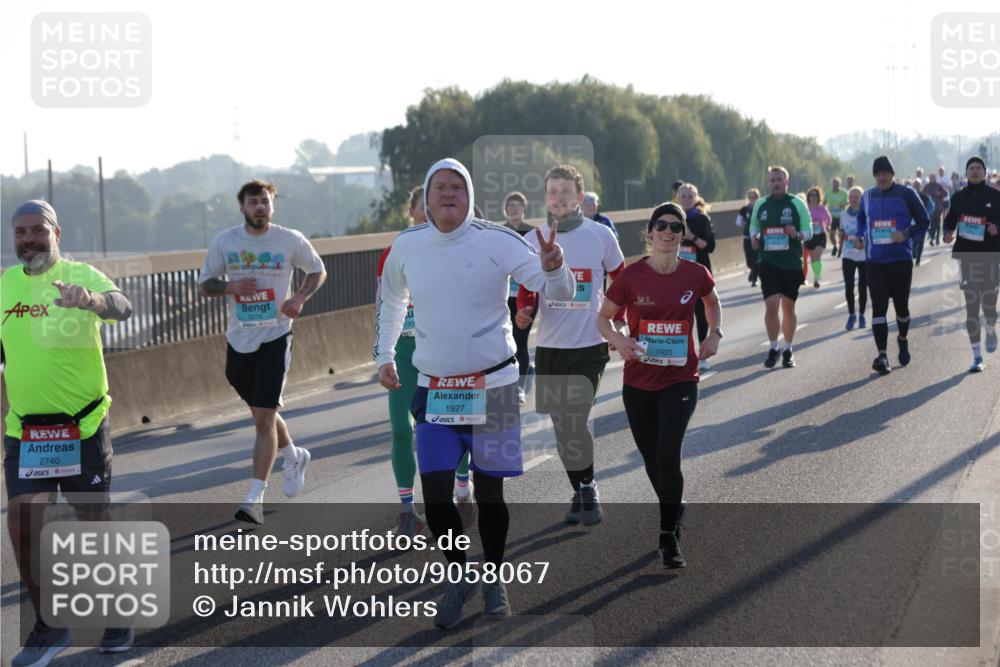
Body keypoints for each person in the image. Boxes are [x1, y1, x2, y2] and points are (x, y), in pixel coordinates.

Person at [374, 157, 574, 628]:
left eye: (456, 187)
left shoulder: (496, 241)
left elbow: (556, 289)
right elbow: (392, 301)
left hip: (495, 386)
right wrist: (383, 355)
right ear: (425, 196)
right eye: (438, 187)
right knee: (439, 497)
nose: (447, 194)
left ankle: (495, 578)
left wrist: (556, 266)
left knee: (490, 495)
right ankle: (459, 574)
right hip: (435, 389)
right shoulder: (407, 246)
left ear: (469, 197)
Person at [2, 200, 136, 665]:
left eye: (37, 230)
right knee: (22, 524)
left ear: (57, 233)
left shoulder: (84, 276)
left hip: (82, 428)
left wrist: (91, 301)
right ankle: (49, 624)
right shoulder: (5, 286)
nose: (28, 239)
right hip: (25, 433)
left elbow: (122, 306)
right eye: (20, 232)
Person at [596, 201, 722, 568]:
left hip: (680, 377)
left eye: (676, 227)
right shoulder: (632, 277)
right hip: (638, 381)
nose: (668, 232)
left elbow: (712, 303)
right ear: (650, 233)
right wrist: (619, 341)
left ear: (683, 235)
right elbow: (604, 319)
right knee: (652, 459)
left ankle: (668, 537)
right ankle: (675, 504)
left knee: (668, 454)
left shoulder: (695, 274)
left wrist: (713, 333)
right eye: (661, 226)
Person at [198, 180, 327, 524]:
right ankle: (293, 454)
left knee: (264, 419)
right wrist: (230, 286)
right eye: (253, 202)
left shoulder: (289, 239)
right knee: (261, 415)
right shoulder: (226, 241)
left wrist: (298, 298)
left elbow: (317, 269)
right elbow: (205, 284)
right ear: (242, 207)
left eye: (265, 202)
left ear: (273, 206)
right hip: (239, 340)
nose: (259, 207)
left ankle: (254, 497)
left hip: (276, 336)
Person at [517, 165, 625, 526]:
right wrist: (525, 310)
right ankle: (578, 489)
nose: (558, 198)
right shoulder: (534, 239)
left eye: (565, 191)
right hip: (550, 346)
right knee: (561, 426)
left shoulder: (601, 235)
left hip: (590, 343)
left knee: (575, 418)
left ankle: (590, 486)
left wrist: (617, 320)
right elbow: (527, 287)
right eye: (552, 192)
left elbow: (622, 279)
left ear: (580, 197)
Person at [376, 187, 473, 536]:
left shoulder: (455, 249)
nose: (429, 213)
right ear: (414, 210)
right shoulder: (393, 252)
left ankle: (463, 488)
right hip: (405, 352)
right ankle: (406, 508)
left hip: (445, 352)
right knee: (402, 429)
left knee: (454, 423)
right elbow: (385, 306)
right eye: (423, 207)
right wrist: (382, 355)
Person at [855, 156, 930, 375]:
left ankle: (903, 338)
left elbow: (924, 221)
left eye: (885, 173)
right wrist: (860, 236)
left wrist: (905, 234)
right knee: (878, 308)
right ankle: (882, 355)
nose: (881, 177)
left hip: (900, 261)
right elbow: (861, 219)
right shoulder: (868, 195)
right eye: (877, 174)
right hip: (875, 261)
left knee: (901, 308)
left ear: (892, 174)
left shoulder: (906, 194)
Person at [749, 166, 813, 369]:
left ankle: (788, 349)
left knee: (788, 308)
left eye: (779, 179)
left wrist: (796, 233)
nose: (775, 183)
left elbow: (808, 230)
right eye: (772, 180)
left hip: (792, 264)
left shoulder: (796, 203)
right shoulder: (761, 204)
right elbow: (754, 226)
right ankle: (773, 348)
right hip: (768, 264)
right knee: (771, 306)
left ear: (787, 182)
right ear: (768, 183)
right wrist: (754, 238)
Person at [942, 156, 1000, 372]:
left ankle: (991, 327)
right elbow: (949, 222)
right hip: (967, 256)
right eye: (971, 168)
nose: (975, 171)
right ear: (966, 174)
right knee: (972, 306)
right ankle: (977, 357)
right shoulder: (958, 197)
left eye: (978, 168)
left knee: (990, 304)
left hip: (991, 255)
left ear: (985, 173)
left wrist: (997, 228)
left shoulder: (996, 196)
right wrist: (947, 233)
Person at [676, 183, 717, 369]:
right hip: (676, 273)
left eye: (689, 196)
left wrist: (691, 237)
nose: (686, 199)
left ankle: (702, 355)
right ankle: (681, 354)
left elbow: (710, 246)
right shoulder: (671, 218)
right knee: (679, 315)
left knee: (701, 313)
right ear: (677, 197)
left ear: (695, 198)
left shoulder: (701, 219)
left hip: (698, 271)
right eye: (683, 196)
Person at [502, 191, 535, 404]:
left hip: (527, 293)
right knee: (507, 340)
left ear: (523, 210)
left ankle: (519, 386)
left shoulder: (532, 233)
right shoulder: (500, 232)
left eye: (517, 207)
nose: (514, 210)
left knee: (521, 340)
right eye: (510, 207)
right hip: (504, 296)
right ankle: (515, 376)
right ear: (506, 210)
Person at [838, 186, 868, 330]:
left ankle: (862, 314)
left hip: (863, 256)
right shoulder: (843, 215)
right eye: (851, 196)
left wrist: (863, 241)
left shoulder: (866, 214)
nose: (854, 199)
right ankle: (851, 314)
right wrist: (840, 243)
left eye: (857, 196)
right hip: (848, 255)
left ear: (861, 199)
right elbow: (842, 232)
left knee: (863, 287)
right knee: (849, 287)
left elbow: (870, 232)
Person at [804, 187, 832, 288]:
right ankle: (817, 274)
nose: (813, 197)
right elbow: (801, 220)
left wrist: (828, 225)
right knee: (812, 258)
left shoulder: (822, 208)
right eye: (811, 195)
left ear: (819, 197)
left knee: (817, 256)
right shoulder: (805, 208)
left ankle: (816, 278)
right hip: (810, 235)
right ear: (808, 197)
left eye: (816, 195)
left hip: (820, 234)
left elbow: (829, 218)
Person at [736, 188, 761, 286]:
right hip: (747, 237)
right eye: (750, 197)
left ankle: (754, 278)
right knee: (749, 261)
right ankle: (752, 271)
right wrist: (743, 223)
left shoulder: (760, 208)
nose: (752, 199)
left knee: (757, 258)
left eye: (754, 197)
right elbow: (738, 222)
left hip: (757, 237)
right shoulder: (744, 209)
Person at [911, 179, 935, 266]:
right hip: (912, 222)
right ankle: (914, 255)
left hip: (922, 222)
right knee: (913, 241)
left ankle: (918, 260)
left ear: (921, 186)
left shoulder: (925, 196)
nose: (916, 186)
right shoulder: (909, 196)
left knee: (920, 241)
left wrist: (925, 214)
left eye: (918, 185)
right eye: (915, 184)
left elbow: (932, 207)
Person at [924, 173, 950, 246]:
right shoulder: (927, 186)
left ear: (935, 178)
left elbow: (945, 193)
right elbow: (922, 194)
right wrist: (925, 195)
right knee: (931, 224)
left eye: (933, 177)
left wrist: (940, 193)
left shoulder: (938, 185)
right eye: (930, 177)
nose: (931, 178)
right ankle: (932, 237)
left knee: (937, 223)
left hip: (938, 207)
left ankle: (937, 238)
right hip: (929, 209)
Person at [825, 178, 848, 258]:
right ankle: (835, 246)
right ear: (832, 184)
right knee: (831, 235)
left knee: (841, 235)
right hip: (832, 217)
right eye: (834, 183)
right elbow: (824, 203)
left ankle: (840, 250)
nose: (835, 185)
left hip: (841, 217)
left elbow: (849, 202)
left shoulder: (844, 193)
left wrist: (843, 204)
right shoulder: (828, 193)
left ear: (839, 184)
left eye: (837, 184)